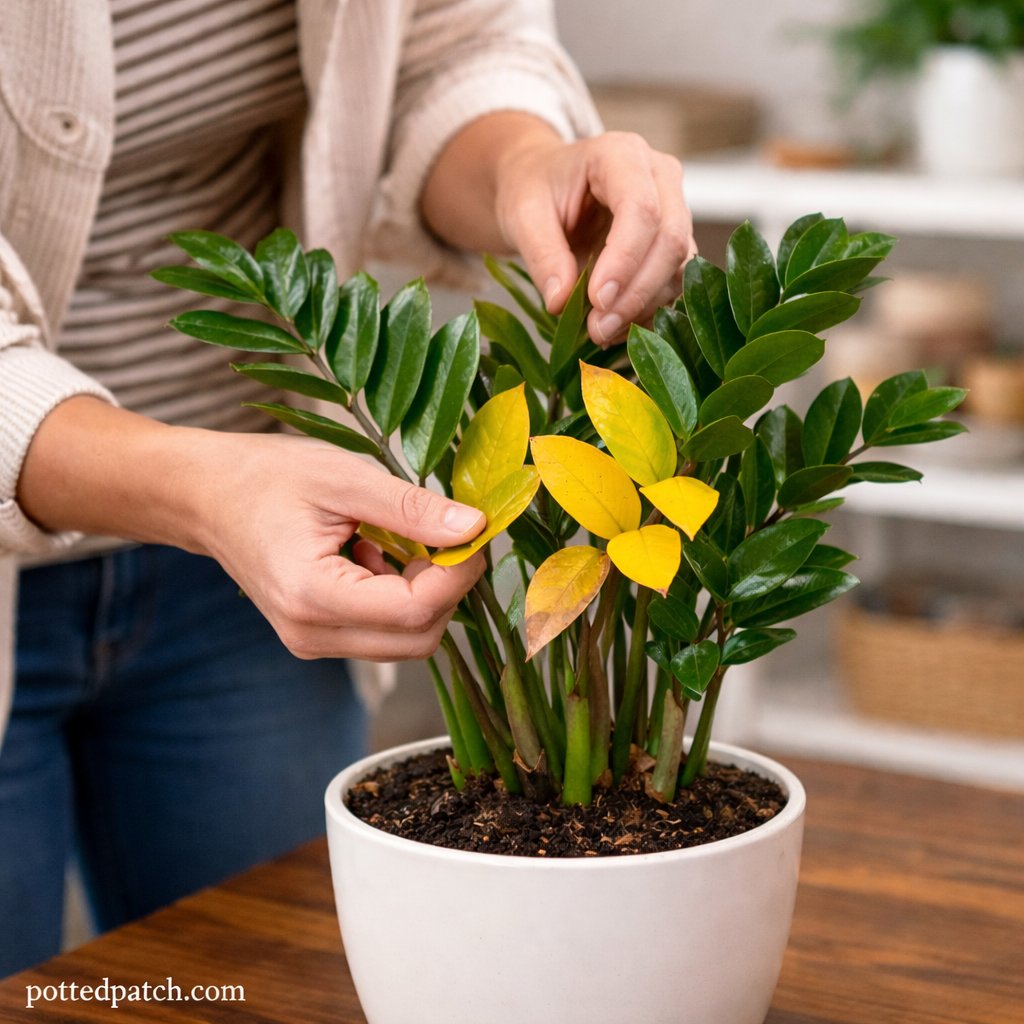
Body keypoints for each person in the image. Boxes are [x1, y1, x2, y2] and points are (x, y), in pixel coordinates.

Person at [0, 0, 695, 976]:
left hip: (253, 561)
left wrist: (521, 166)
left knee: (277, 981)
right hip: (213, 501)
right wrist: (203, 488)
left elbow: (448, 44)